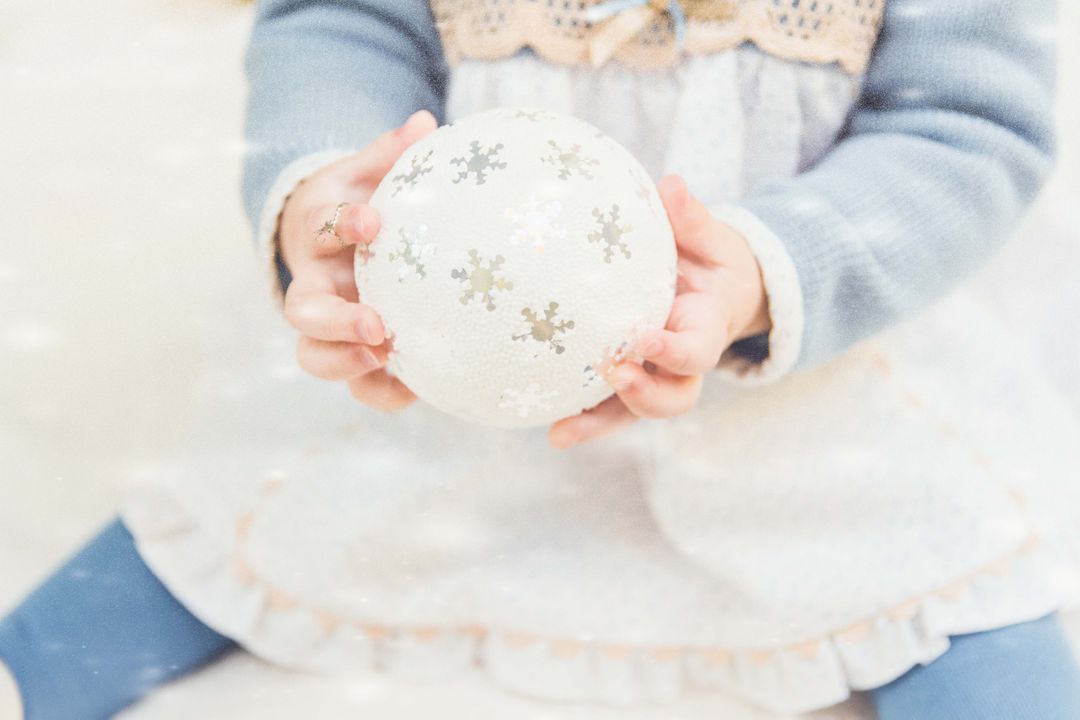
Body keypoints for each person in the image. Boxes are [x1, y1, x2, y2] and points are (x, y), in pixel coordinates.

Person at [4, 1, 1080, 718]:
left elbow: (966, 126)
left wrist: (762, 273)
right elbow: (338, 24)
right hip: (429, 370)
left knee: (951, 582)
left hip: (812, 385)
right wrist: (324, 204)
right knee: (239, 514)